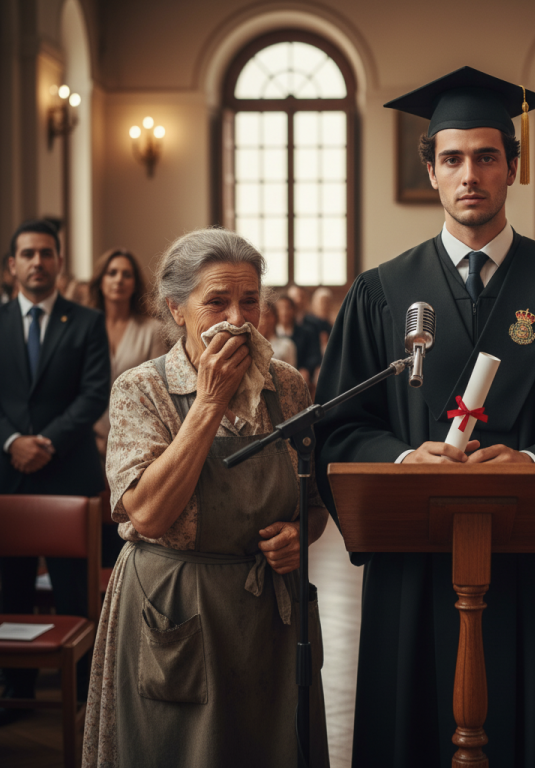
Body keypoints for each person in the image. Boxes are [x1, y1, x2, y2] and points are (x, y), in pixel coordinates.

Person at [315, 67, 535, 768]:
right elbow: (340, 429)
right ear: (431, 172)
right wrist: (407, 460)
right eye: (453, 159)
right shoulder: (380, 293)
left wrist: (532, 462)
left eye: (487, 157)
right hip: (416, 563)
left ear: (514, 168)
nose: (470, 174)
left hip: (534, 564)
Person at [82, 228, 330, 768]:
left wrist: (298, 535)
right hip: (176, 610)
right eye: (216, 301)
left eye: (250, 301)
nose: (237, 319)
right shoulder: (140, 389)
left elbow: (312, 505)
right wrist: (209, 401)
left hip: (268, 613)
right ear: (176, 308)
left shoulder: (286, 386)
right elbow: (147, 513)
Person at [0, 219, 110, 718]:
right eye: (28, 254)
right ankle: (15, 690)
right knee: (10, 589)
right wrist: (12, 441)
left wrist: (44, 442)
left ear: (60, 262)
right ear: (12, 266)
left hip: (69, 473)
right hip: (8, 475)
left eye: (46, 253)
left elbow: (93, 393)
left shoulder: (85, 322)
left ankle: (86, 697)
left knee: (73, 594)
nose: (37, 262)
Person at [88, 248, 165, 461]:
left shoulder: (153, 330)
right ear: (100, 280)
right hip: (89, 437)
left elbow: (157, 391)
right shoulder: (84, 327)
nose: (119, 279)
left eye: (126, 274)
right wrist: (91, 434)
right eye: (112, 273)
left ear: (135, 283)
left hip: (138, 437)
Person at [276, 293, 321, 383]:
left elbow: (315, 356)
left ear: (294, 310)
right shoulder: (271, 334)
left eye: (288, 308)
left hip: (301, 376)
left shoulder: (307, 332)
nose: (284, 312)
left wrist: (306, 369)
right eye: (281, 308)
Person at [258, 296, 297, 367]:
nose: (263, 321)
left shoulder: (287, 345)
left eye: (267, 316)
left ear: (275, 317)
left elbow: (291, 374)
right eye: (260, 316)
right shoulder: (251, 345)